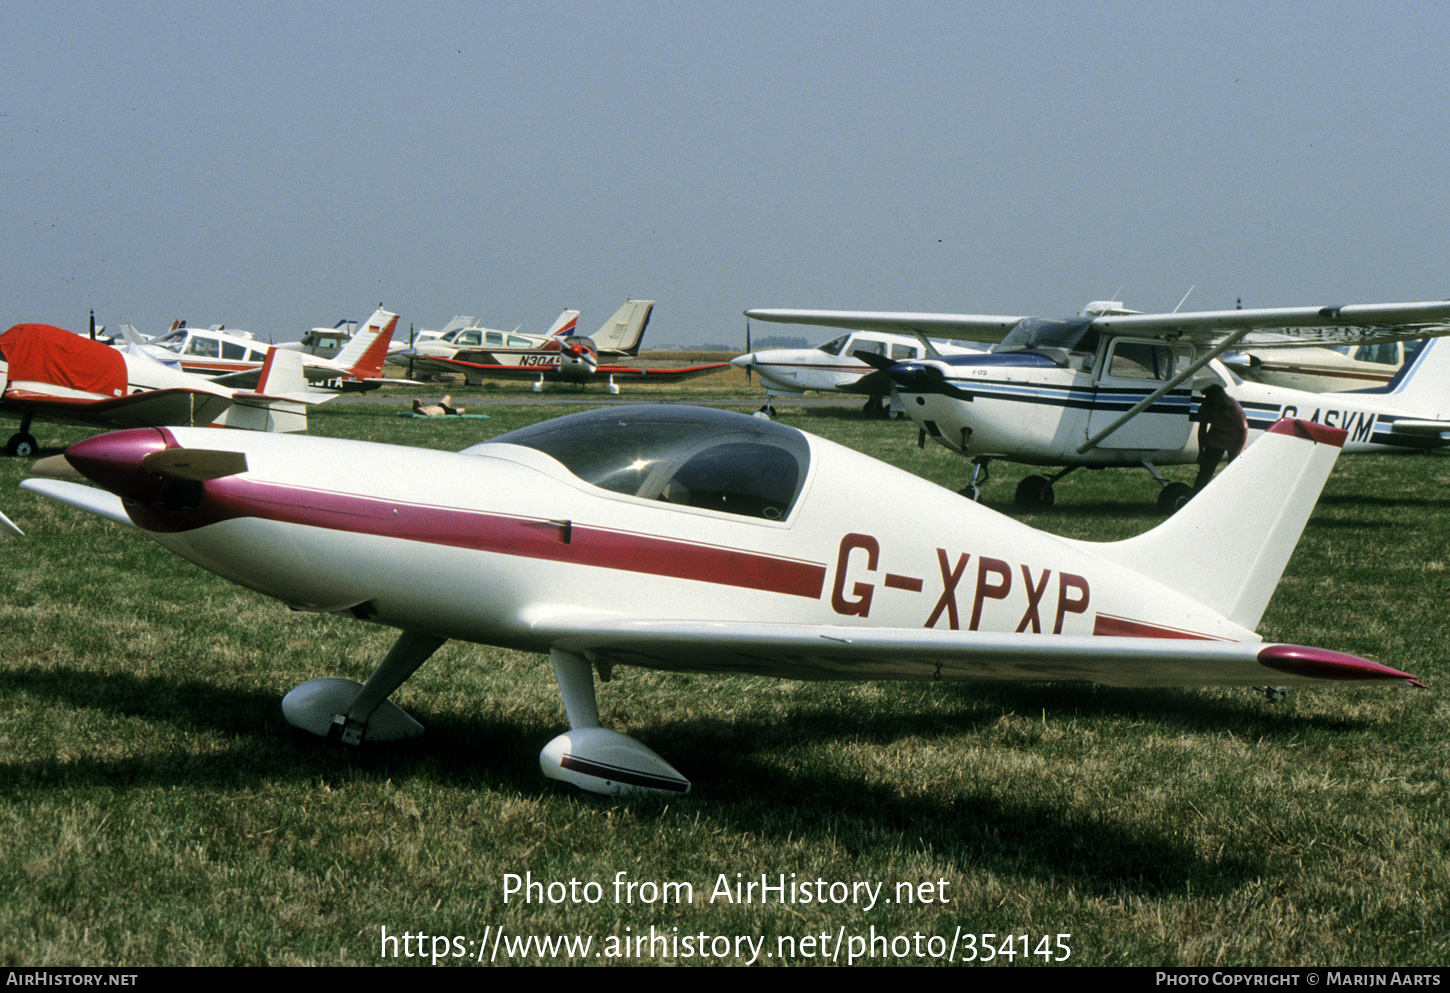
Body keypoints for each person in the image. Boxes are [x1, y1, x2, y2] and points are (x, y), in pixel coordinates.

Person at [1193, 383, 1247, 494]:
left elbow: (1243, 430)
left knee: (1233, 471)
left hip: (1235, 438)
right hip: (1216, 437)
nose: (1207, 401)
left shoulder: (1234, 407)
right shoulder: (1206, 406)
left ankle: (1230, 495)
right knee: (1206, 470)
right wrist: (1201, 452)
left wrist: (1238, 451)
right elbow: (1202, 429)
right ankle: (1194, 495)